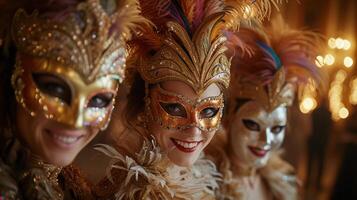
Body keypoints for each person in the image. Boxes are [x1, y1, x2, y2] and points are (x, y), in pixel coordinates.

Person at [93, 0, 281, 199]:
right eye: (174, 108)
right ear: (146, 100)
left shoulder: (213, 180)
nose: (193, 130)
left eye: (209, 111)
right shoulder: (131, 192)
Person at [0, 0, 146, 199]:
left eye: (99, 100)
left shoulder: (70, 186)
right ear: (14, 76)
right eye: (56, 89)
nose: (75, 121)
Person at [206, 17, 323, 200]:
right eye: (253, 124)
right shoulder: (204, 184)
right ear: (229, 117)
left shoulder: (280, 183)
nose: (266, 139)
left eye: (277, 128)